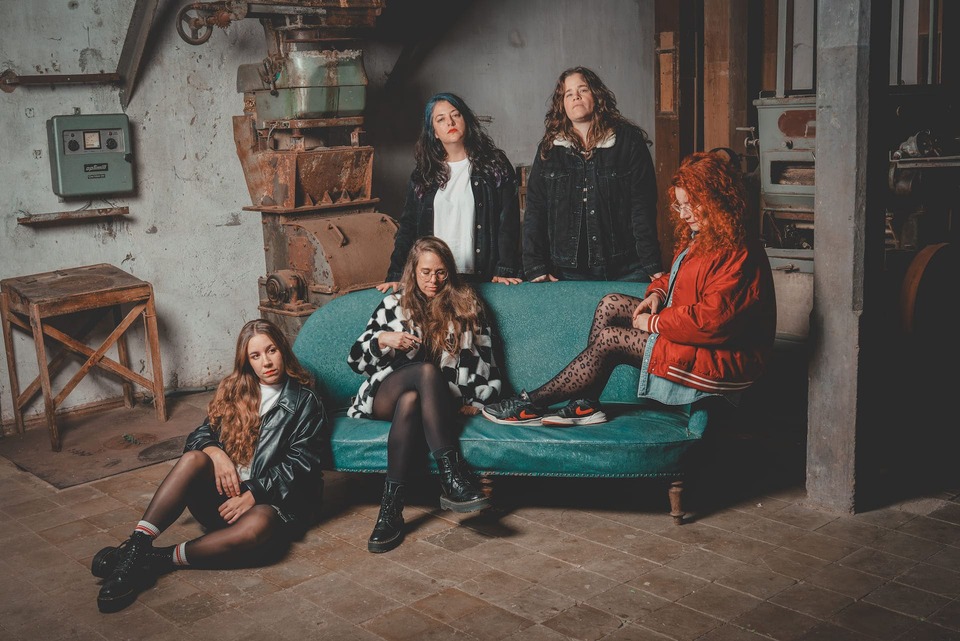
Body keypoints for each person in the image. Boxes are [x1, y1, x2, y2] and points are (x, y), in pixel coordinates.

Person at [482, 151, 776, 426]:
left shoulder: (739, 251)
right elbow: (677, 278)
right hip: (692, 336)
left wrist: (654, 323)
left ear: (717, 198)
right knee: (610, 303)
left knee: (612, 339)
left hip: (723, 359)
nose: (684, 214)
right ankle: (586, 404)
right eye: (680, 205)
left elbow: (712, 322)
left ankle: (531, 403)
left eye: (692, 204)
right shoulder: (705, 234)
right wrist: (657, 294)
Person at [92, 319, 327, 613]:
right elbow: (202, 433)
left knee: (258, 526)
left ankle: (155, 559)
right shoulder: (235, 390)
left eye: (271, 351)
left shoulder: (305, 402)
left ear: (283, 350)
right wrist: (216, 453)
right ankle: (138, 546)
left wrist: (253, 493)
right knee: (194, 457)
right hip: (222, 499)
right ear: (246, 361)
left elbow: (302, 463)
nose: (266, 362)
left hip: (272, 505)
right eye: (255, 355)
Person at [351, 236, 499, 553]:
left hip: (433, 400)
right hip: (386, 393)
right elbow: (355, 361)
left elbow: (486, 358)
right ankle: (452, 476)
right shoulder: (393, 304)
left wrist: (477, 399)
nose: (434, 280)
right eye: (426, 272)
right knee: (424, 373)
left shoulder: (466, 304)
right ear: (413, 271)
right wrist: (383, 340)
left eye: (441, 272)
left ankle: (390, 510)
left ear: (450, 272)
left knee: (413, 400)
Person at [523, 66, 664, 283]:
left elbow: (642, 206)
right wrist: (535, 265)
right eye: (568, 94)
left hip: (627, 268)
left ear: (597, 96)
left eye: (583, 90)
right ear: (562, 104)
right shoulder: (549, 149)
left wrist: (652, 264)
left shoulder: (628, 142)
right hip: (567, 271)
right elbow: (535, 209)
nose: (576, 97)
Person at [381, 92, 522, 293]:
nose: (450, 122)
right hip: (436, 278)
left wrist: (505, 268)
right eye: (441, 119)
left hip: (483, 276)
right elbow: (408, 227)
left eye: (455, 115)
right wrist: (396, 274)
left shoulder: (493, 165)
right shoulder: (424, 174)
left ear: (466, 120)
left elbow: (508, 221)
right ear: (435, 132)